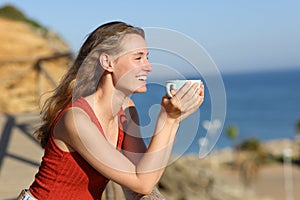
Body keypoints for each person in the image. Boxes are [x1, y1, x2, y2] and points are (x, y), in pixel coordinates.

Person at [18, 21, 205, 199]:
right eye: (138, 58)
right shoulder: (76, 119)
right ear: (108, 62)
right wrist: (167, 120)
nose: (148, 66)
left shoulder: (128, 111)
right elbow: (142, 183)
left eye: (147, 58)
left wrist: (175, 120)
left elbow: (143, 170)